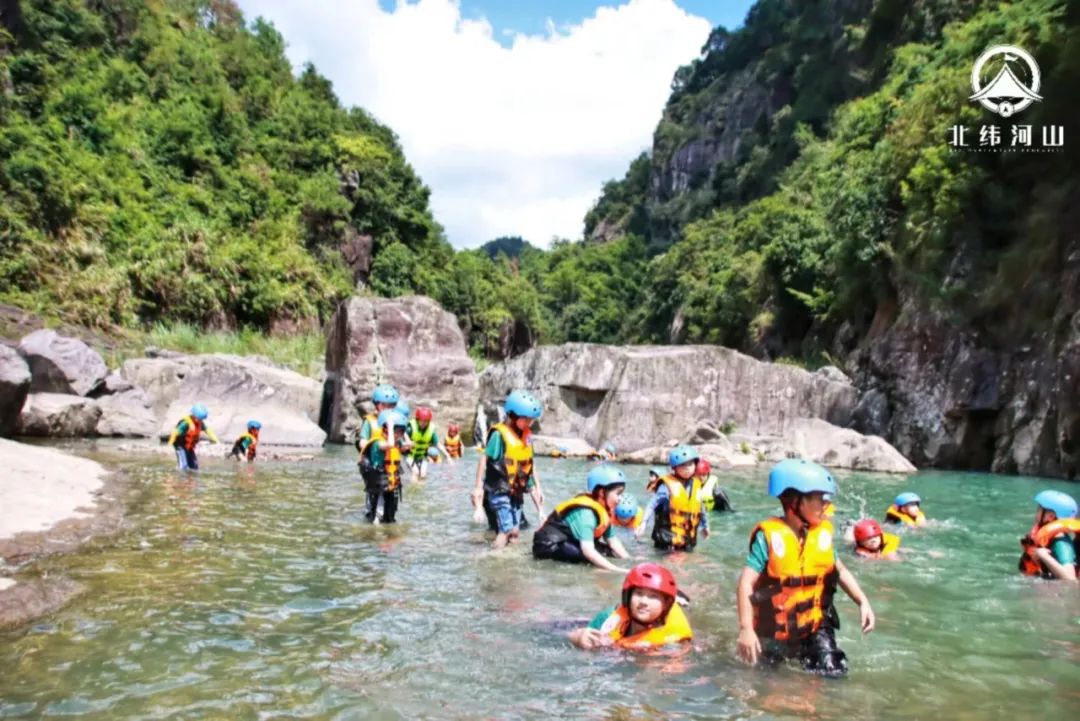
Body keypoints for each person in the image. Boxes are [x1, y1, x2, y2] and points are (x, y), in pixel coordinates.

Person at [735, 459, 875, 677]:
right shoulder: (768, 537)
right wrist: (746, 629)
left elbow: (841, 571)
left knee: (833, 672)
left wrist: (862, 601)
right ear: (795, 502)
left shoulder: (821, 535)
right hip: (774, 630)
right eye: (820, 499)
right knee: (767, 682)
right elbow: (745, 583)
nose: (826, 506)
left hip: (814, 627)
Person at [470, 390, 545, 549]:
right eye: (526, 419)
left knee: (515, 532)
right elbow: (484, 459)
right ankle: (494, 558)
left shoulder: (526, 436)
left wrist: (538, 491)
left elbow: (529, 465)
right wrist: (477, 488)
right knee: (505, 530)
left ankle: (510, 562)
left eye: (532, 420)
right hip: (500, 491)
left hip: (516, 492)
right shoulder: (499, 435)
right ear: (513, 416)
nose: (530, 423)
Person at [569, 563, 692, 651]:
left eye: (653, 597)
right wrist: (578, 638)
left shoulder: (675, 641)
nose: (644, 601)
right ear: (628, 596)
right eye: (639, 594)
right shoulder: (608, 617)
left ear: (665, 605)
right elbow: (571, 635)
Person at [533, 465, 632, 571]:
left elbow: (612, 541)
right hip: (549, 545)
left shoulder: (605, 511)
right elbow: (588, 551)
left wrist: (629, 560)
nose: (621, 499)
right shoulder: (586, 514)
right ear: (602, 493)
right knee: (587, 558)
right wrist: (616, 570)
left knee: (608, 552)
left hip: (571, 541)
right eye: (618, 493)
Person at [636, 446, 709, 551]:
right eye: (682, 465)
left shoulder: (696, 485)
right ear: (674, 467)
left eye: (690, 464)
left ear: (695, 465)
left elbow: (700, 508)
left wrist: (704, 526)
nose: (687, 468)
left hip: (687, 540)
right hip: (667, 539)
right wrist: (643, 523)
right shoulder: (666, 486)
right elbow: (652, 504)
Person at [358, 409, 411, 523]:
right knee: (378, 516)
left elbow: (410, 445)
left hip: (391, 484)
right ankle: (374, 533)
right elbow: (390, 444)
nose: (399, 434)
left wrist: (404, 432)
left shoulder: (397, 443)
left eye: (401, 431)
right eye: (397, 431)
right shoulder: (379, 443)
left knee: (390, 516)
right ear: (386, 429)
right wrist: (391, 427)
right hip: (380, 486)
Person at [1019, 490, 1079, 581]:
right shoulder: (1048, 539)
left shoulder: (1061, 544)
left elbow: (1070, 579)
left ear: (1050, 516)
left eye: (1039, 510)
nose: (1036, 513)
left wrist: (1044, 556)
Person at [168, 403, 219, 471]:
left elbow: (208, 431)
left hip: (189, 445)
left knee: (194, 466)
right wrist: (169, 444)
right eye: (199, 419)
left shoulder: (200, 422)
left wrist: (217, 441)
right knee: (184, 466)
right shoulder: (186, 423)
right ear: (194, 416)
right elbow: (175, 433)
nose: (200, 420)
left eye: (201, 419)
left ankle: (191, 479)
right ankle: (181, 478)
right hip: (180, 445)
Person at [406, 406, 451, 479]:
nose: (424, 423)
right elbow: (401, 436)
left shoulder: (431, 431)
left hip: (422, 457)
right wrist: (407, 442)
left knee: (423, 475)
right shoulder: (410, 429)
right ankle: (413, 489)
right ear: (418, 420)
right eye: (422, 421)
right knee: (416, 472)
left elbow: (438, 444)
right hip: (409, 456)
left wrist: (447, 456)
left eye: (426, 421)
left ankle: (421, 489)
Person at [354, 384, 399, 450]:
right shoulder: (370, 421)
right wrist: (376, 445)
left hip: (391, 459)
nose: (388, 408)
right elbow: (362, 443)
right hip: (375, 458)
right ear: (377, 405)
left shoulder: (397, 422)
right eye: (384, 405)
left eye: (392, 405)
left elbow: (401, 443)